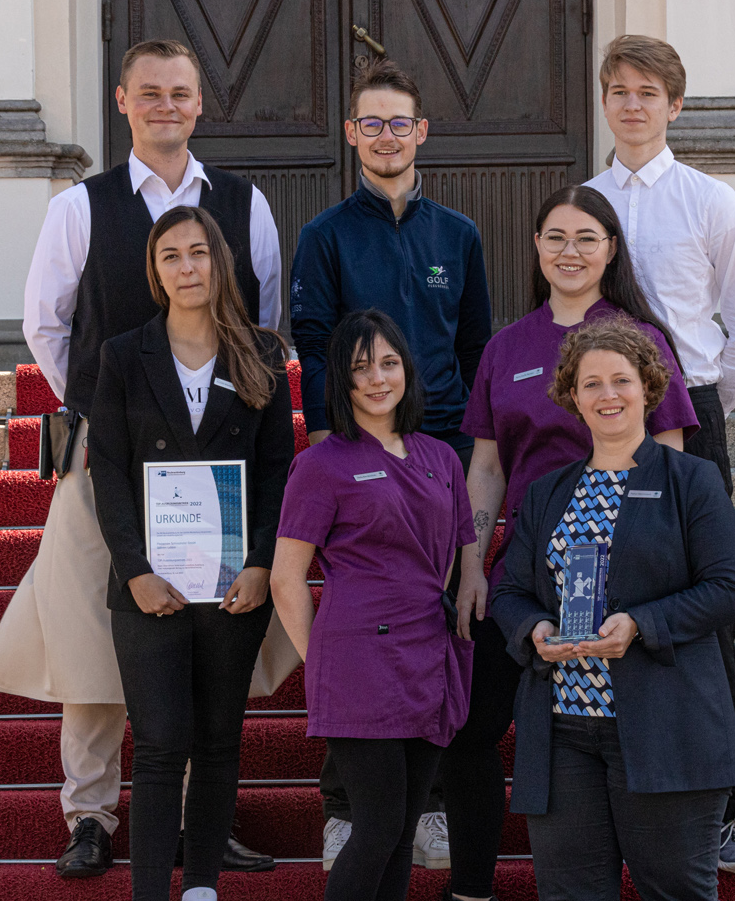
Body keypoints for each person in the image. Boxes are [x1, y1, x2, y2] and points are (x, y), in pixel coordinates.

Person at [0, 37, 281, 877]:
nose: (166, 105)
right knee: (92, 633)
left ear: (200, 102)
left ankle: (203, 814)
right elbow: (44, 322)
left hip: (214, 463)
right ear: (122, 101)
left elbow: (261, 321)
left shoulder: (243, 202)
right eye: (149, 91)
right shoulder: (81, 206)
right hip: (106, 455)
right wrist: (100, 409)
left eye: (180, 92)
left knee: (202, 624)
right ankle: (91, 815)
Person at [443, 185, 701, 901]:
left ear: (611, 249)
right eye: (555, 236)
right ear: (535, 247)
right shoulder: (507, 346)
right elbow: (488, 465)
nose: (570, 251)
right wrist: (472, 564)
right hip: (528, 572)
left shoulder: (641, 338)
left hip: (628, 570)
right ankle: (470, 889)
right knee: (471, 729)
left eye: (587, 237)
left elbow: (671, 453)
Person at [290, 58, 491, 868]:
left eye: (398, 122)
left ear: (422, 132)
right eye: (369, 122)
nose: (384, 136)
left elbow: (475, 345)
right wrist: (338, 441)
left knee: (433, 619)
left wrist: (473, 454)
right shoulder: (325, 235)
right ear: (351, 133)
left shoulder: (459, 236)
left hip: (439, 451)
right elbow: (311, 345)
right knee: (360, 620)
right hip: (358, 456)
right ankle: (347, 802)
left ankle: (430, 800)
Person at [584, 34, 735, 875]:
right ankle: (612, 795)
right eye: (619, 90)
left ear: (675, 105)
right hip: (596, 420)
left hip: (688, 413)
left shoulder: (710, 202)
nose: (631, 105)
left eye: (647, 93)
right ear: (605, 101)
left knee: (700, 614)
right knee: (600, 599)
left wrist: (697, 417)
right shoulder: (581, 203)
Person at [489, 318, 735, 901]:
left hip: (668, 730)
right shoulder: (547, 492)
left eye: (621, 380)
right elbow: (509, 594)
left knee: (675, 893)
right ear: (572, 397)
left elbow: (729, 588)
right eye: (591, 384)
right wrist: (535, 628)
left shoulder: (692, 481)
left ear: (648, 387)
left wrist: (640, 624)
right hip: (563, 732)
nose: (607, 395)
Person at [87, 207, 295, 901]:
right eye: (171, 255)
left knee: (215, 740)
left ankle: (201, 886)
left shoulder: (261, 355)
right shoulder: (123, 355)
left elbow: (276, 471)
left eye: (199, 252)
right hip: (150, 587)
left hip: (234, 585)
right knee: (159, 742)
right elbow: (108, 471)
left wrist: (263, 562)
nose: (187, 267)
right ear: (156, 270)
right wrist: (135, 571)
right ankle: (152, 891)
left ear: (219, 262)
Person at [270, 310, 476, 901]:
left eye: (389, 363)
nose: (378, 379)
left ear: (407, 369)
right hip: (357, 661)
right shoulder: (319, 465)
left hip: (426, 655)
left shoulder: (441, 458)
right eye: (362, 368)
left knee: (402, 829)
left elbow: (449, 556)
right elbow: (287, 579)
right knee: (379, 824)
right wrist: (325, 663)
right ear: (342, 380)